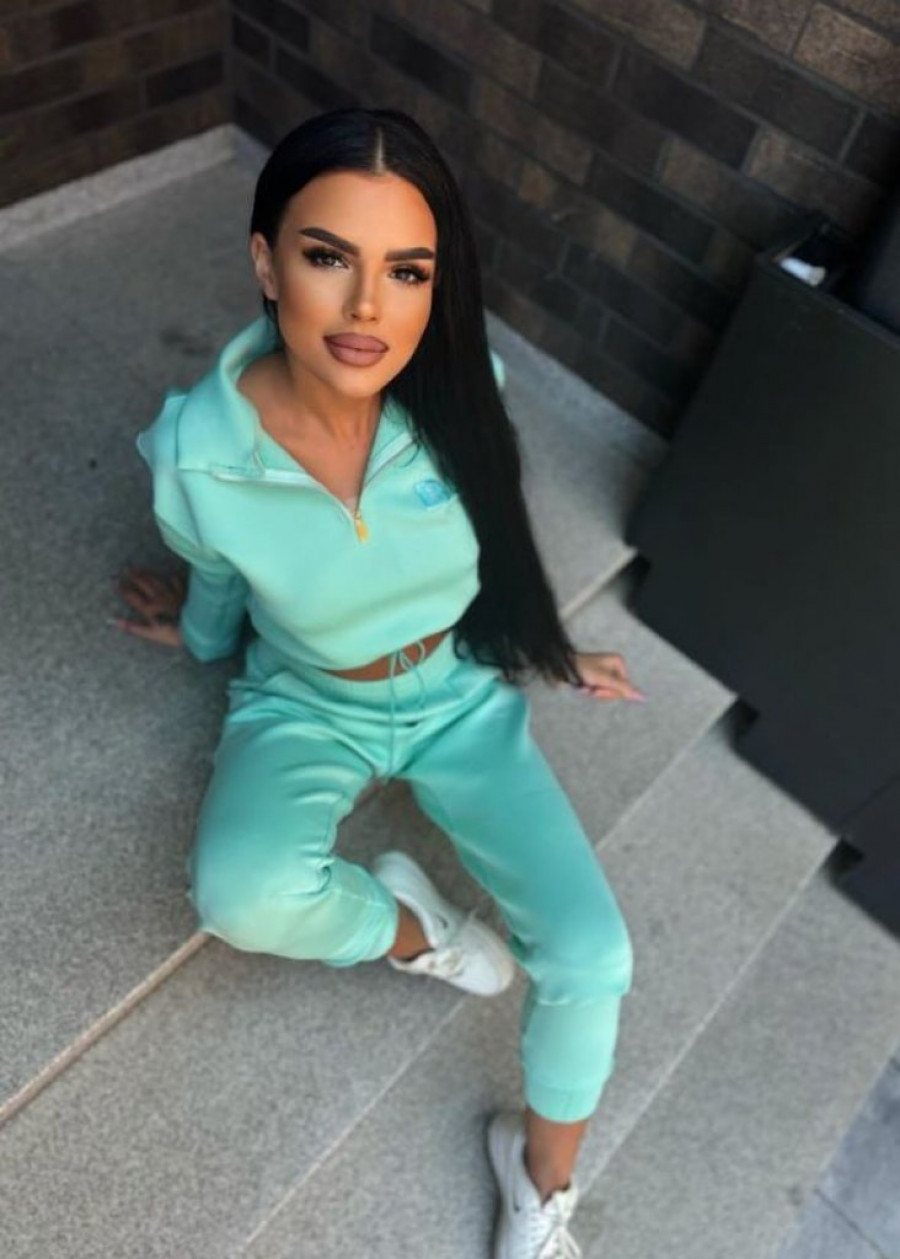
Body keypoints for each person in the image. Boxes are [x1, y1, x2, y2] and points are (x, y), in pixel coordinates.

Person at [113, 106, 644, 1259]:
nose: (368, 308)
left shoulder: (463, 392)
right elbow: (219, 584)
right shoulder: (196, 453)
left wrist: (548, 646)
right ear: (266, 262)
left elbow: (496, 546)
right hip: (309, 696)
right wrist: (195, 636)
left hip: (460, 694)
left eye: (407, 271)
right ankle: (422, 929)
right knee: (240, 893)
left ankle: (539, 1185)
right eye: (327, 257)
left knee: (595, 953)